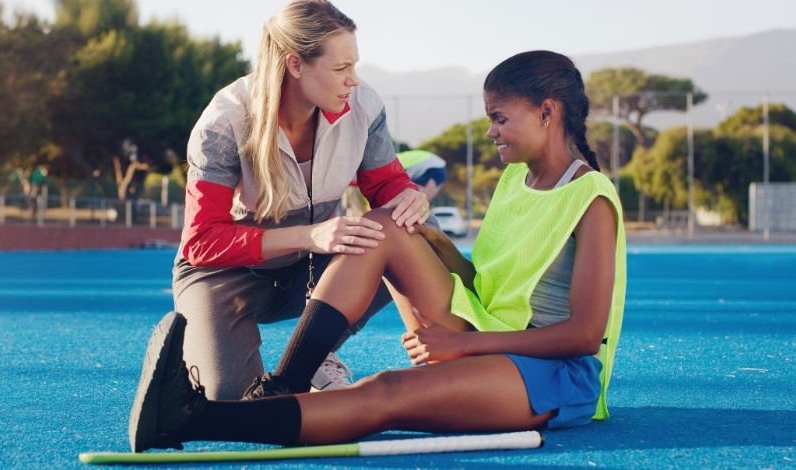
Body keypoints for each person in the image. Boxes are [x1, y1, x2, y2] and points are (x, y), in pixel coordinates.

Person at [128, 50, 626, 452]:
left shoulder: (592, 198)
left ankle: (189, 420)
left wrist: (463, 347)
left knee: (386, 392)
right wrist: (421, 240)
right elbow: (488, 280)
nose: (491, 131)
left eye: (500, 118)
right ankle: (284, 385)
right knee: (382, 224)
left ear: (547, 111)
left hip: (550, 372)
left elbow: (584, 336)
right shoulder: (518, 177)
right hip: (485, 328)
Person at [170, 0, 430, 400]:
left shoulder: (363, 107)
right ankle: (210, 335)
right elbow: (202, 242)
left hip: (311, 267)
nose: (353, 80)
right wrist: (308, 236)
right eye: (341, 68)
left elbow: (387, 185)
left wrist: (410, 198)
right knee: (232, 398)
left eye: (354, 65)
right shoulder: (224, 122)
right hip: (225, 273)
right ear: (295, 64)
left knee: (415, 236)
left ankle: (315, 354)